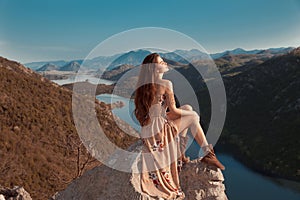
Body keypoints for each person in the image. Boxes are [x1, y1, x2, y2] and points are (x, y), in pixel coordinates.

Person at [133, 53, 225, 199]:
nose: (165, 64)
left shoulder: (143, 86)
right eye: (161, 62)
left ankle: (180, 154)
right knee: (193, 116)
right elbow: (174, 111)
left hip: (149, 129)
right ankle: (208, 153)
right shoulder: (166, 84)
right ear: (154, 69)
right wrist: (190, 115)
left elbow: (141, 113)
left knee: (188, 108)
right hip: (160, 131)